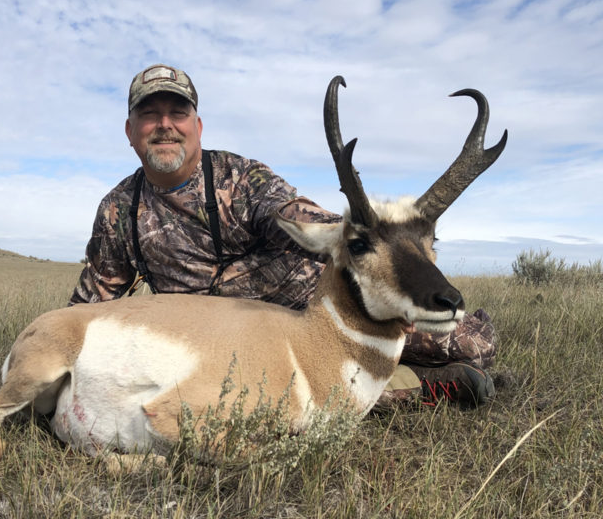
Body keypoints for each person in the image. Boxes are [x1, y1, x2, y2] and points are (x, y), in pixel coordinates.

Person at [70, 63, 496, 408]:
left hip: (321, 314)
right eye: (149, 114)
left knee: (463, 342)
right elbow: (87, 306)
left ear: (197, 126)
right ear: (130, 131)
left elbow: (296, 216)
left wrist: (367, 242)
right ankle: (429, 387)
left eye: (177, 113)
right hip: (229, 343)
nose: (165, 125)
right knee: (305, 396)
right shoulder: (118, 211)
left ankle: (448, 371)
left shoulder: (241, 179)